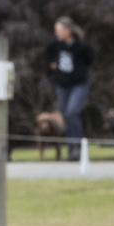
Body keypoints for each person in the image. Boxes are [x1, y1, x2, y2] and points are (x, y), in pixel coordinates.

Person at [46, 16, 95, 161]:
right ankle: (71, 149)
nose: (57, 33)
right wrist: (53, 69)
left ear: (68, 31)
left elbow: (90, 60)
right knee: (66, 116)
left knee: (72, 112)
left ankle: (78, 146)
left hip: (78, 85)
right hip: (62, 86)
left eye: (59, 30)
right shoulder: (54, 46)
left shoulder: (81, 46)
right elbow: (49, 62)